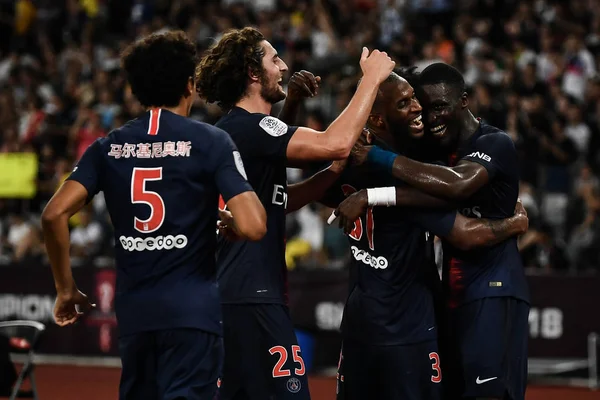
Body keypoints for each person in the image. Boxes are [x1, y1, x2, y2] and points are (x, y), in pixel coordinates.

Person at [41, 31, 266, 400]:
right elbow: (255, 225)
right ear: (190, 85)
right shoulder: (211, 141)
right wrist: (230, 218)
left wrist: (66, 289)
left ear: (135, 91)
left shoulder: (107, 146)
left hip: (136, 316)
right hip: (193, 315)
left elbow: (53, 215)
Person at [195, 26, 395, 399]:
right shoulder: (251, 127)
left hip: (232, 294)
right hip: (253, 297)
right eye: (274, 59)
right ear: (253, 74)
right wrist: (370, 79)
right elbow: (335, 143)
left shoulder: (232, 130)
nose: (284, 66)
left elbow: (279, 199)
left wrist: (332, 173)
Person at [321, 71, 528, 400]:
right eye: (413, 104)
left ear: (463, 101)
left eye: (435, 106)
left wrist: (369, 182)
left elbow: (457, 189)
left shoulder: (491, 142)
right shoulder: (420, 164)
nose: (425, 114)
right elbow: (458, 222)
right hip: (433, 305)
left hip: (488, 289)